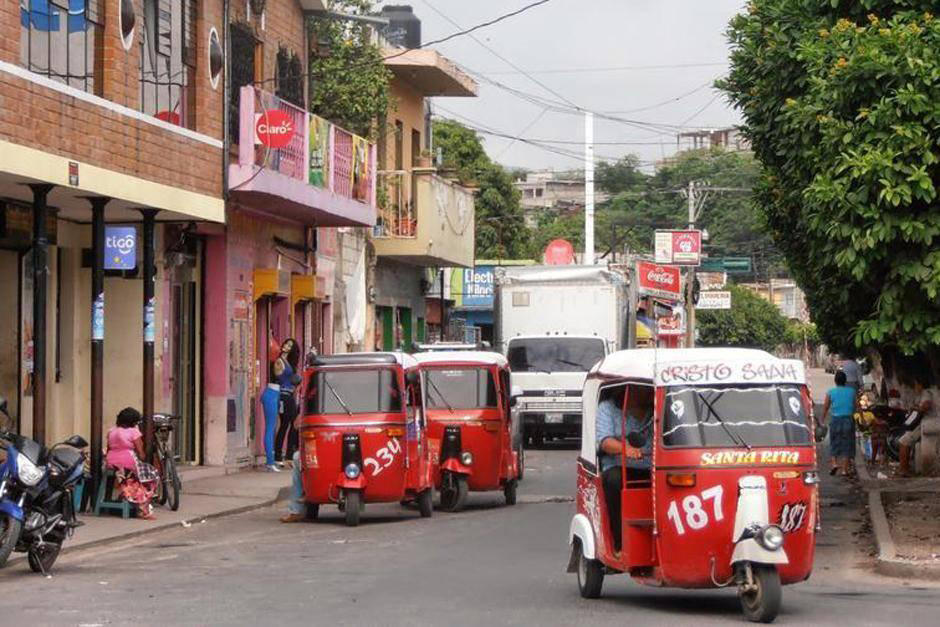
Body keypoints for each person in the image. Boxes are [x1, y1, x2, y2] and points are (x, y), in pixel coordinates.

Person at [596, 385, 653, 552]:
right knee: (615, 481)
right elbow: (605, 442)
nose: (649, 393)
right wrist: (626, 449)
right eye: (645, 389)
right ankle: (620, 543)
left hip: (653, 465)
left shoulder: (659, 408)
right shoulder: (608, 408)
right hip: (619, 466)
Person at [106, 407, 159, 519]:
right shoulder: (134, 432)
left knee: (133, 475)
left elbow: (108, 448)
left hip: (111, 461)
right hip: (127, 460)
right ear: (134, 422)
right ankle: (142, 507)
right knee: (150, 475)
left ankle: (125, 496)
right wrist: (144, 461)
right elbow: (140, 452)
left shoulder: (111, 431)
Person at [822, 371, 858, 476]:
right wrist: (862, 419)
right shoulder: (851, 391)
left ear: (835, 381)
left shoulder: (830, 392)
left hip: (835, 420)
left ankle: (834, 464)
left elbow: (825, 407)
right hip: (848, 420)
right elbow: (857, 406)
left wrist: (822, 420)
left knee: (834, 442)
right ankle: (844, 469)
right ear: (845, 381)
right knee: (848, 443)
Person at [898, 379, 935, 476]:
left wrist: (917, 408)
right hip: (921, 423)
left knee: (904, 441)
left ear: (920, 384)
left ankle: (904, 469)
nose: (915, 387)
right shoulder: (923, 394)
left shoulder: (926, 393)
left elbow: (926, 405)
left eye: (916, 385)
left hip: (924, 423)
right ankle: (904, 468)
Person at [274, 338, 301, 467]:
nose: (286, 346)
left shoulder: (289, 362)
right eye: (285, 344)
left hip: (290, 396)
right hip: (283, 396)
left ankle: (287, 455)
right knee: (286, 425)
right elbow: (277, 375)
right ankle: (280, 455)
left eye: (289, 345)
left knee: (292, 424)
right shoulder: (279, 361)